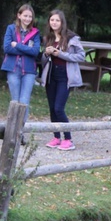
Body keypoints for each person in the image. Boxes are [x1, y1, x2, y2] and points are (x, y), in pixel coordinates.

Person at [40, 9, 85, 151]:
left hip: (65, 77)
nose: (54, 23)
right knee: (52, 108)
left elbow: (81, 56)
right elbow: (42, 61)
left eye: (57, 20)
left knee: (59, 108)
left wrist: (61, 54)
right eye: (52, 20)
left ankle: (68, 139)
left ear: (62, 22)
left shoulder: (72, 39)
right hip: (51, 76)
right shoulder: (48, 38)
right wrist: (46, 54)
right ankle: (56, 137)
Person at [1, 4, 41, 125]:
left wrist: (17, 45)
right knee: (15, 100)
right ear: (19, 15)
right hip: (13, 68)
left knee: (24, 100)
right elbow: (7, 48)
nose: (27, 19)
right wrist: (26, 50)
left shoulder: (35, 32)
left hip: (29, 70)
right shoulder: (11, 29)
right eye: (25, 16)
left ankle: (20, 130)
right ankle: (12, 128)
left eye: (30, 16)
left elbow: (35, 51)